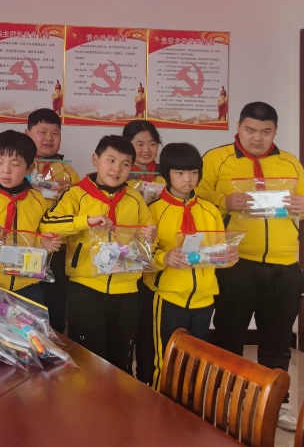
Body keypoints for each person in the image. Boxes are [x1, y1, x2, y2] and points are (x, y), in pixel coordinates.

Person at [197, 102, 304, 431]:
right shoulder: (216, 158)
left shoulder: (289, 162)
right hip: (236, 264)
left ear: (275, 132)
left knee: (277, 342)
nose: (257, 137)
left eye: (265, 131)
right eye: (250, 130)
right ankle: (228, 401)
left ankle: (275, 405)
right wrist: (225, 201)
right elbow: (195, 195)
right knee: (229, 336)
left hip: (285, 266)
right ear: (238, 127)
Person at [47, 135, 154, 373]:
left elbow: (146, 238)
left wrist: (150, 236)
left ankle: (118, 397)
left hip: (127, 289)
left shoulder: (135, 199)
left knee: (122, 359)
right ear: (96, 159)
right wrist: (85, 221)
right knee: (88, 359)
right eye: (111, 160)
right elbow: (48, 224)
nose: (117, 169)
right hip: (86, 287)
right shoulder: (76, 194)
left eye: (125, 164)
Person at [145, 143, 237, 387]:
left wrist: (228, 256)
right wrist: (164, 258)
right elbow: (142, 254)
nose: (188, 179)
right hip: (169, 296)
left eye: (194, 172)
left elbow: (217, 251)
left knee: (197, 361)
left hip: (204, 298)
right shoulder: (154, 210)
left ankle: (190, 404)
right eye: (180, 173)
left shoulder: (210, 211)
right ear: (167, 173)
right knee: (167, 359)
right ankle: (162, 403)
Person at [0, 131, 68, 305]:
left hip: (28, 284)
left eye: (15, 164)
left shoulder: (37, 199)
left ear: (29, 168)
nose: (6, 170)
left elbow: (36, 238)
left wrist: (45, 243)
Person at [25, 108, 81, 331]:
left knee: (55, 308)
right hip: (28, 246)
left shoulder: (69, 172)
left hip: (58, 250)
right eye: (42, 132)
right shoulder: (18, 167)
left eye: (55, 133)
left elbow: (81, 208)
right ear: (27, 134)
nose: (49, 138)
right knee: (26, 307)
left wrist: (72, 192)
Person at [122, 119, 163, 384]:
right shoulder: (118, 176)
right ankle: (125, 377)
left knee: (150, 325)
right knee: (128, 325)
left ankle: (147, 377)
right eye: (139, 144)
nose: (146, 150)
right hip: (124, 261)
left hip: (157, 259)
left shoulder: (166, 176)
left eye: (152, 144)